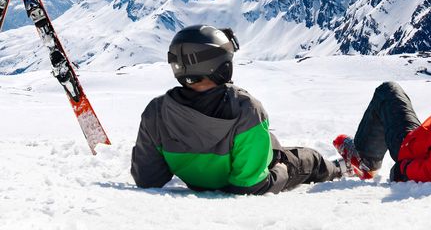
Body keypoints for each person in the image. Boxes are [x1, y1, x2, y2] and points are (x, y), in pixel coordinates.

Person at [131, 24, 346, 194]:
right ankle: (342, 168)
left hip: (212, 171)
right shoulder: (247, 111)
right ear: (222, 67)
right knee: (309, 159)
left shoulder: (156, 112)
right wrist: (280, 166)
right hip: (256, 167)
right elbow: (250, 186)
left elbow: (147, 178)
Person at [334, 22, 431, 183]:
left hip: (414, 153)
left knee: (388, 92)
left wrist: (405, 170)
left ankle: (365, 161)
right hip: (425, 142)